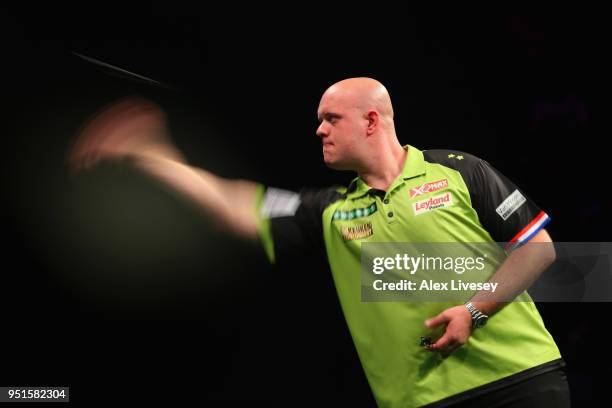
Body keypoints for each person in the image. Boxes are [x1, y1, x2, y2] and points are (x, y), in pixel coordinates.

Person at [68, 77, 570, 407]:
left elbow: (537, 248)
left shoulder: (459, 171)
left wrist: (473, 311)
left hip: (521, 381)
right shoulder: (331, 209)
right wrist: (152, 156)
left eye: (331, 118)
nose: (319, 129)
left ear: (372, 121)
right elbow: (235, 203)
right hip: (421, 401)